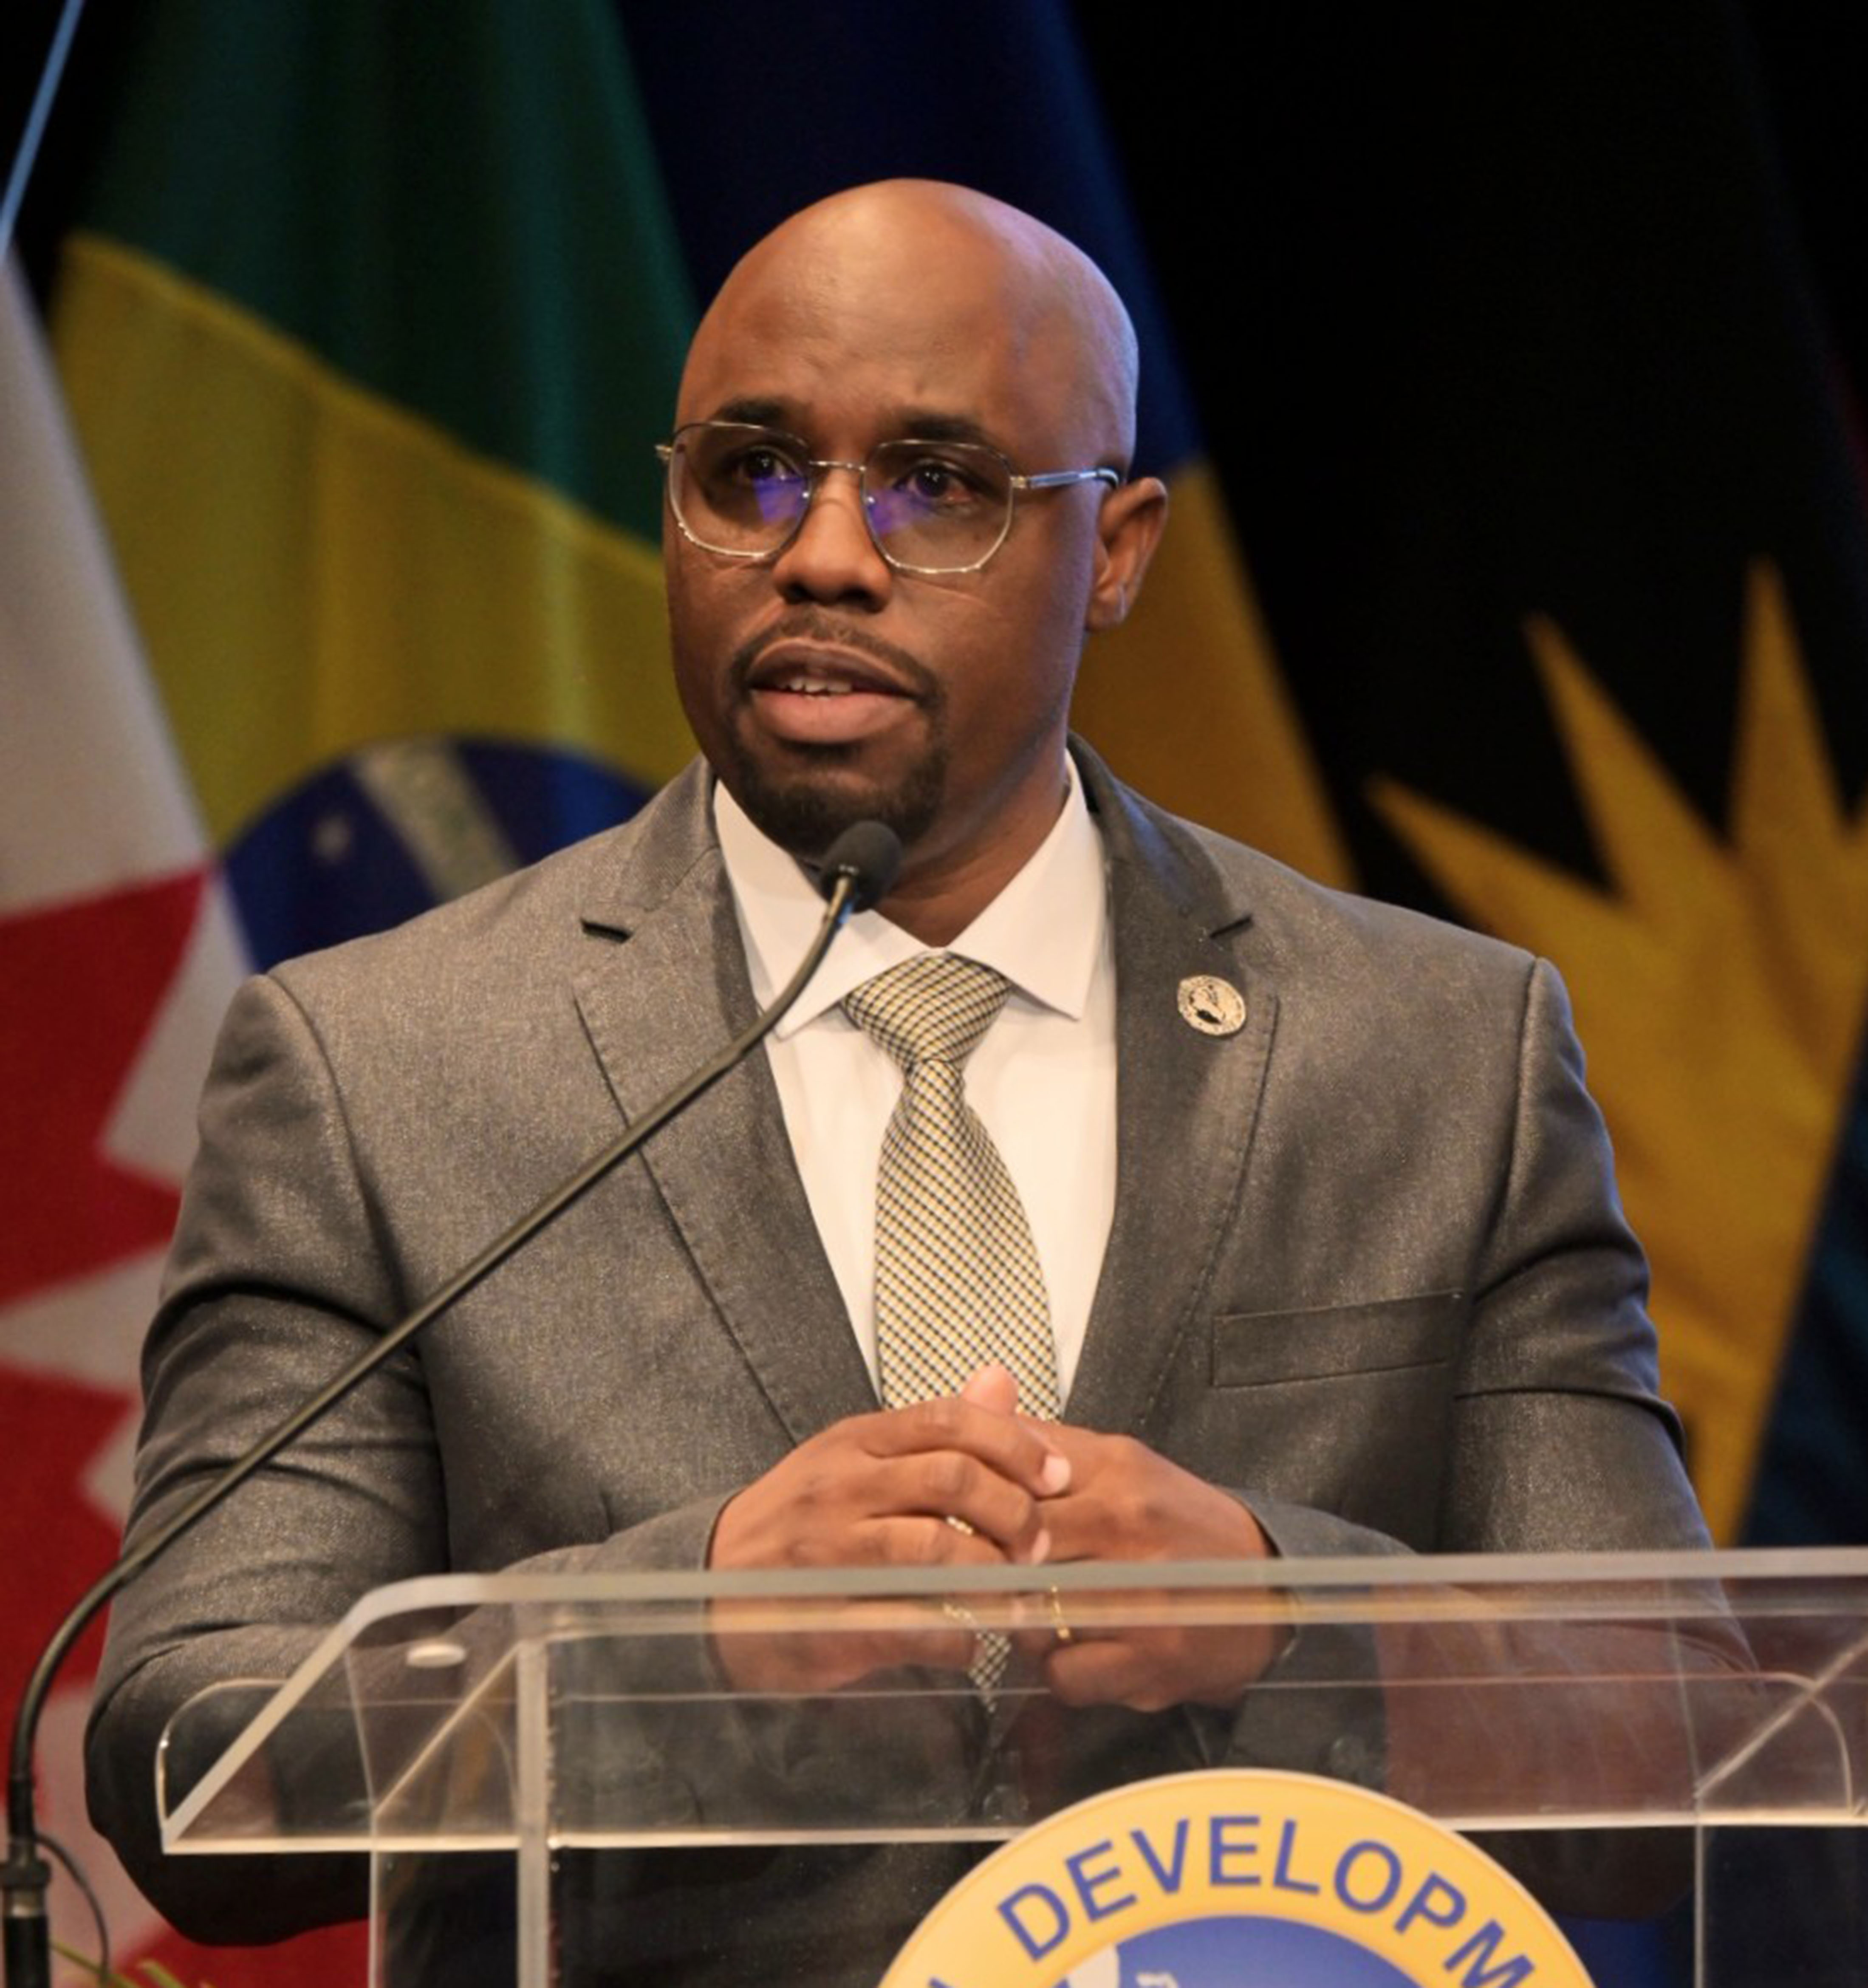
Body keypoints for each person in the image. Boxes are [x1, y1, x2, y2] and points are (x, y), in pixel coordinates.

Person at [86, 181, 1711, 1980]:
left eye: (938, 484)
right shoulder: (378, 1067)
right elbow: (192, 1755)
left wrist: (1278, 1608)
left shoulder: (1431, 1052)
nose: (825, 555)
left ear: (1117, 549)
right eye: (749, 472)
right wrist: (677, 1627)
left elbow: (1661, 1740)